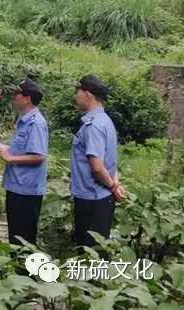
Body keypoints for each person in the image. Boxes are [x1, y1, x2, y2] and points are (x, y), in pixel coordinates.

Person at [70, 75, 126, 247]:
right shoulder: (105, 121)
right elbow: (110, 160)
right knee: (98, 250)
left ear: (87, 94)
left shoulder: (93, 126)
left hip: (91, 200)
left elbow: (97, 167)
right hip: (101, 199)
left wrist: (113, 186)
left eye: (77, 91)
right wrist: (114, 183)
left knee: (89, 252)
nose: (75, 96)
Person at [0, 78, 49, 246]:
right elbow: (24, 149)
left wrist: (9, 158)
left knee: (23, 241)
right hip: (17, 186)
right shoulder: (24, 120)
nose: (13, 97)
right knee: (16, 237)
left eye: (17, 94)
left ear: (27, 99)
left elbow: (39, 156)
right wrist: (5, 148)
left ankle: (24, 265)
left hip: (26, 191)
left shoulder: (36, 123)